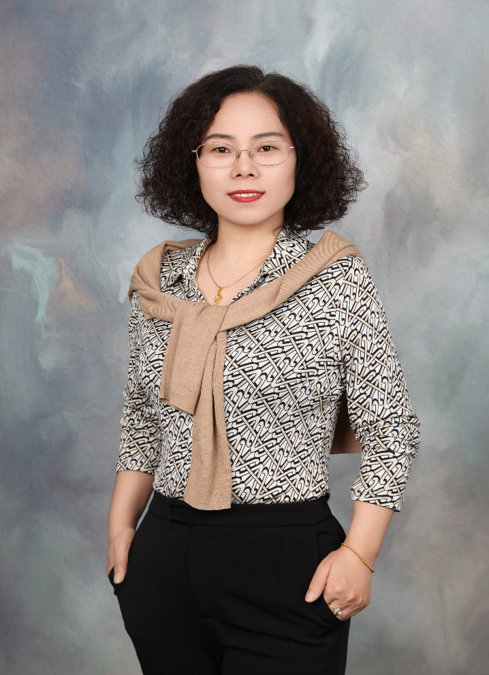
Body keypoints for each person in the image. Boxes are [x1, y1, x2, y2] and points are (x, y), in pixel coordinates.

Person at [106, 64, 421, 675]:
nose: (243, 168)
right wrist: (122, 525)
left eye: (267, 148)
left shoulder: (336, 276)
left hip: (285, 559)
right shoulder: (160, 279)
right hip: (164, 555)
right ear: (193, 163)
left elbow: (391, 430)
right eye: (221, 149)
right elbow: (143, 418)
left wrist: (360, 553)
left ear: (301, 160)